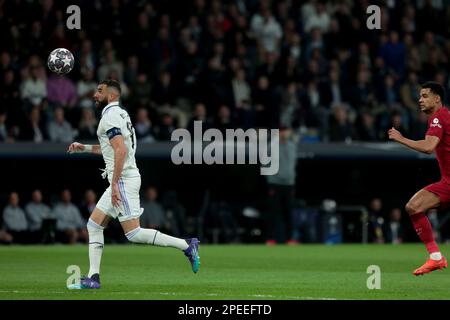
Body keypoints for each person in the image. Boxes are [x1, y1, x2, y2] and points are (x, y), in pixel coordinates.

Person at [67, 79, 200, 289]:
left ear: (111, 95)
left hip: (123, 179)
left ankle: (186, 245)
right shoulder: (121, 114)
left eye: (99, 91)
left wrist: (115, 185)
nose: (94, 95)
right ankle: (93, 278)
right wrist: (83, 148)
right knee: (93, 225)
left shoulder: (110, 117)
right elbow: (111, 148)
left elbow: (121, 151)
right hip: (123, 177)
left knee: (134, 234)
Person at [388, 81, 448, 275]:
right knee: (414, 206)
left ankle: (436, 257)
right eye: (419, 97)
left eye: (424, 96)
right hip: (447, 182)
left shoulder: (439, 117)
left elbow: (429, 147)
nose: (420, 100)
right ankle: (436, 258)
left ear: (437, 98)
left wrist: (401, 139)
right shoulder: (443, 116)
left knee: (413, 207)